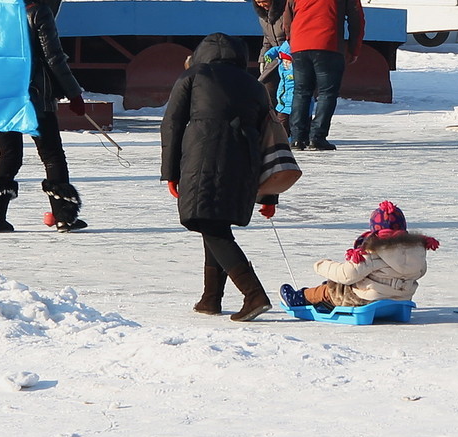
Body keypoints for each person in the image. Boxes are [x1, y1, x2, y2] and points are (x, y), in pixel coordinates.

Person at [161, 32, 278, 322]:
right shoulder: (255, 85)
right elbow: (270, 137)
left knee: (208, 223)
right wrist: (268, 193)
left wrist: (170, 172)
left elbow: (172, 124)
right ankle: (211, 297)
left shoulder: (194, 75)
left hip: (203, 157)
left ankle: (254, 294)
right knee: (214, 221)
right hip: (244, 162)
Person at [0, 0, 87, 234]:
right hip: (36, 97)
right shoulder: (38, 12)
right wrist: (73, 93)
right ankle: (64, 215)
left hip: (3, 96)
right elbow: (54, 58)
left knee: (9, 156)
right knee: (52, 155)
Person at [280, 200, 438, 310]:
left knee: (333, 288)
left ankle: (300, 298)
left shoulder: (373, 250)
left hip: (367, 300)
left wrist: (321, 265)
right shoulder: (416, 250)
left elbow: (346, 275)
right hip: (403, 298)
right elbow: (421, 272)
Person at [283, 0, 365, 151]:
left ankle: (296, 139)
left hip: (300, 49)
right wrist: (354, 49)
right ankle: (317, 137)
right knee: (327, 93)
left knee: (301, 92)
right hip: (329, 47)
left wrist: (292, 43)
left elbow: (287, 23)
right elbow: (357, 21)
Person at [252, 0, 292, 118]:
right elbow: (267, 39)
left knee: (289, 95)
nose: (262, 5)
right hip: (275, 60)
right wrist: (263, 58)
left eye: (264, 1)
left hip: (290, 61)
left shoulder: (288, 13)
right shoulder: (264, 17)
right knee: (266, 90)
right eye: (258, 2)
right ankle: (270, 125)